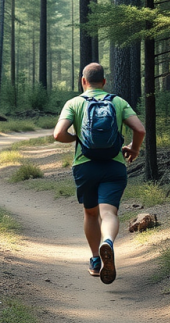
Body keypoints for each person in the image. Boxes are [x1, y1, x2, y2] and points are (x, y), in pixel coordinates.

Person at [53, 63, 146, 284]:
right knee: (109, 213)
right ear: (104, 82)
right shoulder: (117, 101)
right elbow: (140, 129)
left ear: (83, 81)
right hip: (114, 166)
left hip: (85, 166)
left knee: (91, 214)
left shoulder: (74, 103)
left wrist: (77, 138)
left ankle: (96, 259)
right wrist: (134, 148)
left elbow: (58, 134)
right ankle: (109, 243)